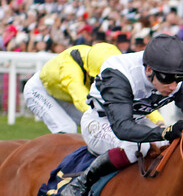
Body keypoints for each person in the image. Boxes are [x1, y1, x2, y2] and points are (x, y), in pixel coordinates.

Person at [59, 34, 183, 196]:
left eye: (180, 78)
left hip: (136, 122)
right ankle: (79, 185)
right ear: (149, 69)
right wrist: (164, 132)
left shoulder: (170, 73)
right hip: (101, 122)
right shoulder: (119, 73)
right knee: (136, 148)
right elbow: (123, 128)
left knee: (175, 146)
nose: (174, 86)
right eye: (168, 78)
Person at [23, 43, 161, 134]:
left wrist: (158, 121)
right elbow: (81, 99)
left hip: (65, 95)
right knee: (67, 129)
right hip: (40, 91)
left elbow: (135, 97)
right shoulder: (69, 67)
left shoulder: (106, 62)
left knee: (99, 127)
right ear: (91, 72)